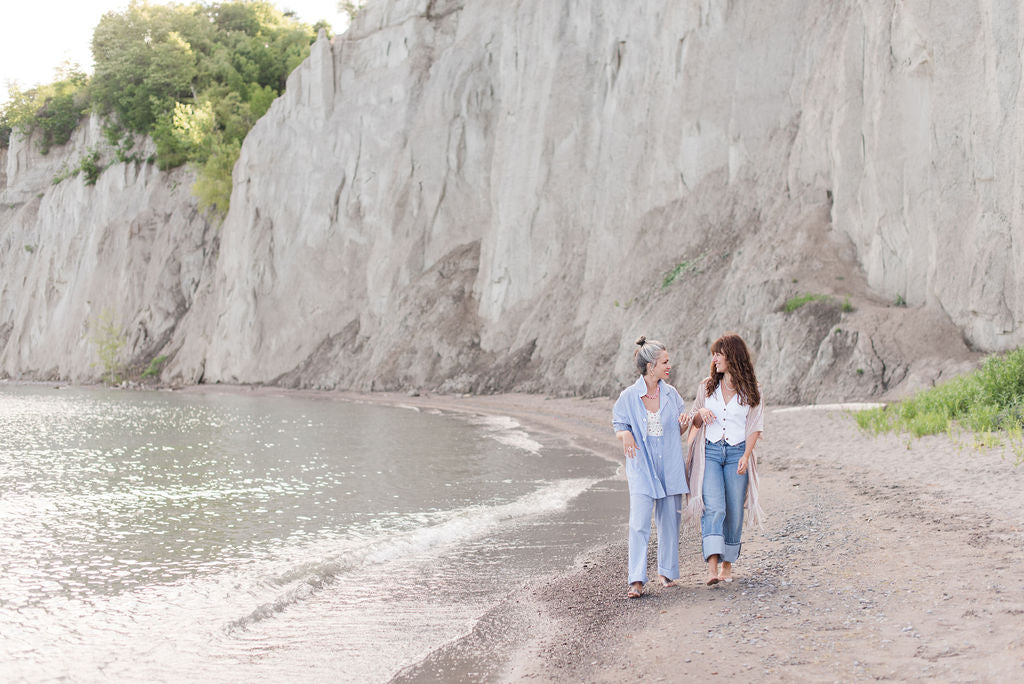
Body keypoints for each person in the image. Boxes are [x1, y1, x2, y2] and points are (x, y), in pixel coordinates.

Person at [613, 336, 692, 598]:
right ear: (651, 366)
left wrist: (684, 422)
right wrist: (625, 436)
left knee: (670, 520)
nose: (669, 366)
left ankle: (666, 572)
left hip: (669, 463)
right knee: (639, 523)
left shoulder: (672, 394)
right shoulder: (628, 396)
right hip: (641, 467)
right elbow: (619, 424)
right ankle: (636, 579)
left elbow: (680, 428)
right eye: (665, 362)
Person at [685, 333, 765, 586]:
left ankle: (727, 567)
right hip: (709, 452)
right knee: (714, 507)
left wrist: (745, 455)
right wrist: (701, 412)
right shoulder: (707, 386)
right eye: (714, 354)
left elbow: (755, 426)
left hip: (736, 453)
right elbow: (693, 420)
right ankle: (711, 568)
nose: (715, 359)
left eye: (719, 354)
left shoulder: (752, 390)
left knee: (733, 511)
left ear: (733, 356)